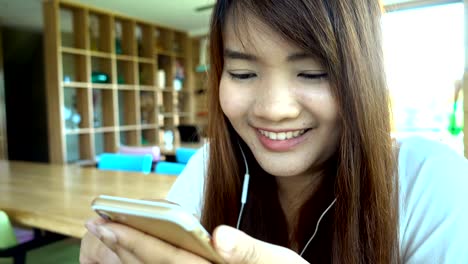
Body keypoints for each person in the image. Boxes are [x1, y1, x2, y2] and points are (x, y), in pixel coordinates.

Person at [80, 0, 468, 263]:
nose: (273, 109)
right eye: (242, 73)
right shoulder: (209, 166)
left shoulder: (431, 181)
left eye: (314, 72)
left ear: (363, 76)